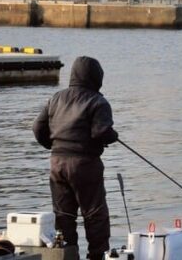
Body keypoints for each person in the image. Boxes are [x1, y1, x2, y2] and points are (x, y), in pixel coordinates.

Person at [33, 56, 119, 260]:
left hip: (57, 164)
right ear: (96, 77)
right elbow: (101, 132)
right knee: (95, 214)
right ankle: (97, 256)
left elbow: (37, 128)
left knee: (64, 216)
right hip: (85, 165)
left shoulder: (55, 98)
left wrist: (53, 146)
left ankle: (67, 254)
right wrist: (113, 136)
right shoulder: (97, 101)